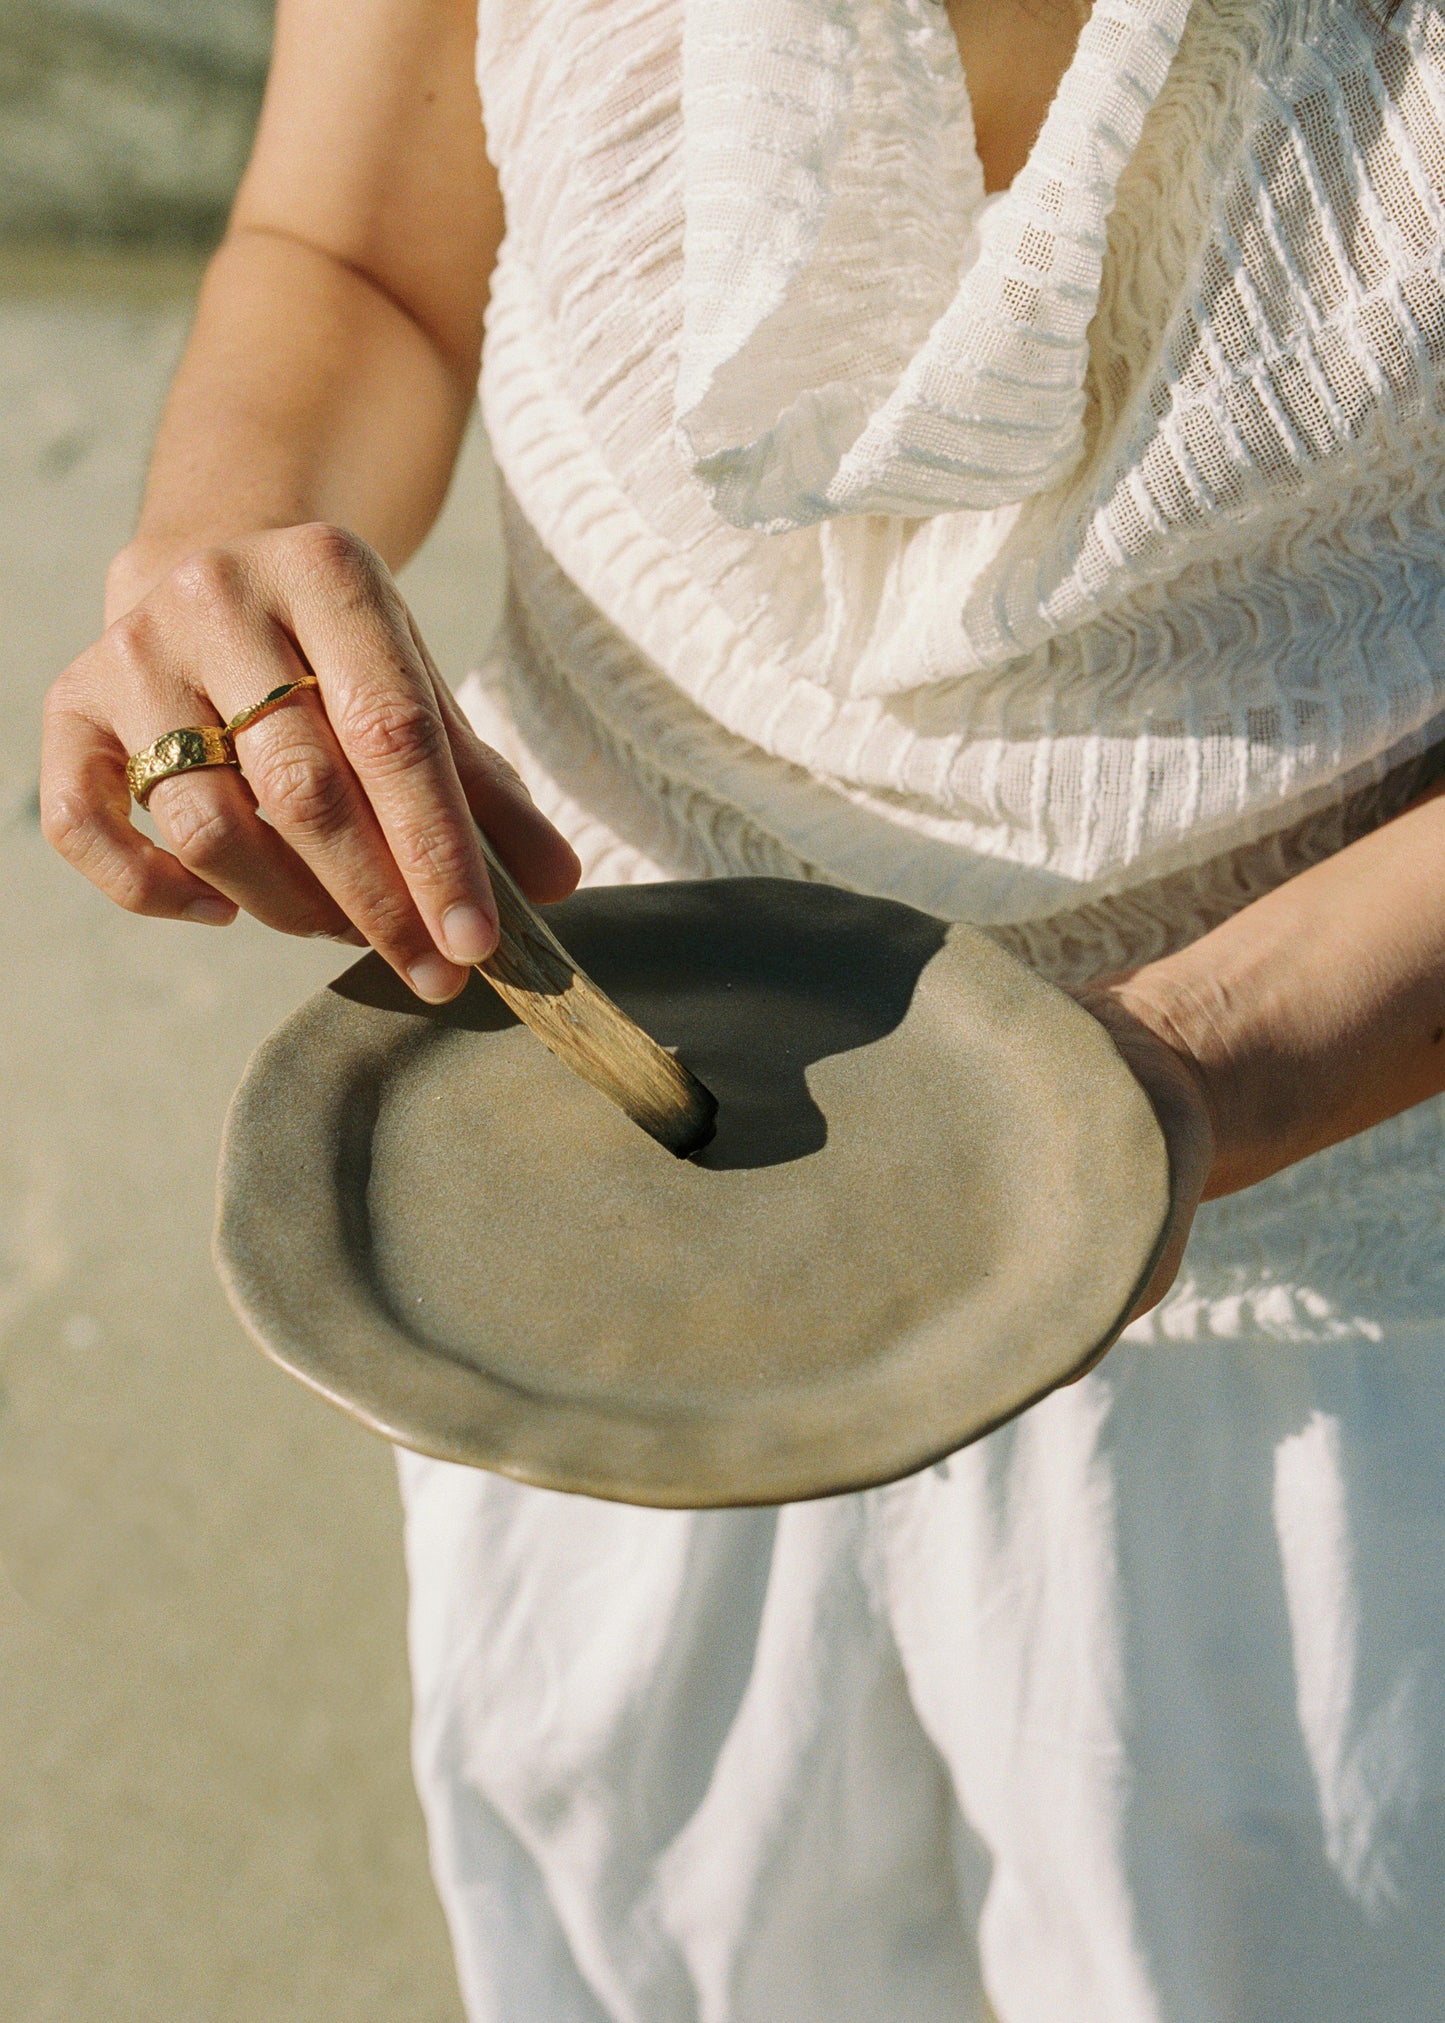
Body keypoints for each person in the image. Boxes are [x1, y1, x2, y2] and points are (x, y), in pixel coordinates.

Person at [38, 0, 1445, 2014]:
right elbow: (356, 255)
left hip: (1327, 1331)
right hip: (597, 1258)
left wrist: (1180, 1078)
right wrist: (217, 552)